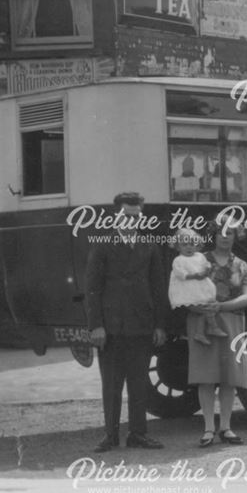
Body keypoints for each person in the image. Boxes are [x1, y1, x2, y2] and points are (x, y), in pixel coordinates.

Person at [85, 192, 168, 452]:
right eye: (126, 215)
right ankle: (111, 436)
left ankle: (138, 434)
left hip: (141, 325)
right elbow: (92, 289)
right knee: (111, 384)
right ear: (116, 216)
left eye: (136, 216)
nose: (131, 220)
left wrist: (160, 325)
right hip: (110, 328)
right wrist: (96, 325)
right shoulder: (102, 245)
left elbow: (158, 288)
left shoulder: (150, 246)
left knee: (138, 382)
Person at [187, 218, 247, 447]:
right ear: (213, 235)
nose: (225, 237)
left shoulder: (242, 265)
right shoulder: (199, 261)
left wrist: (222, 306)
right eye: (221, 233)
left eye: (230, 233)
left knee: (229, 378)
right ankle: (208, 429)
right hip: (202, 323)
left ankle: (226, 427)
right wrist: (201, 307)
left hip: (232, 322)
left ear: (236, 236)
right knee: (206, 376)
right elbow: (185, 291)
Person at [168, 228, 226, 345]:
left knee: (206, 306)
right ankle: (212, 327)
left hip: (200, 288)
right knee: (203, 309)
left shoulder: (199, 256)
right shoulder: (179, 260)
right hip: (187, 289)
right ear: (178, 247)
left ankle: (201, 332)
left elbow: (206, 264)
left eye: (192, 244)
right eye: (184, 245)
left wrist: (207, 269)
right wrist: (194, 276)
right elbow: (180, 274)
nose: (189, 247)